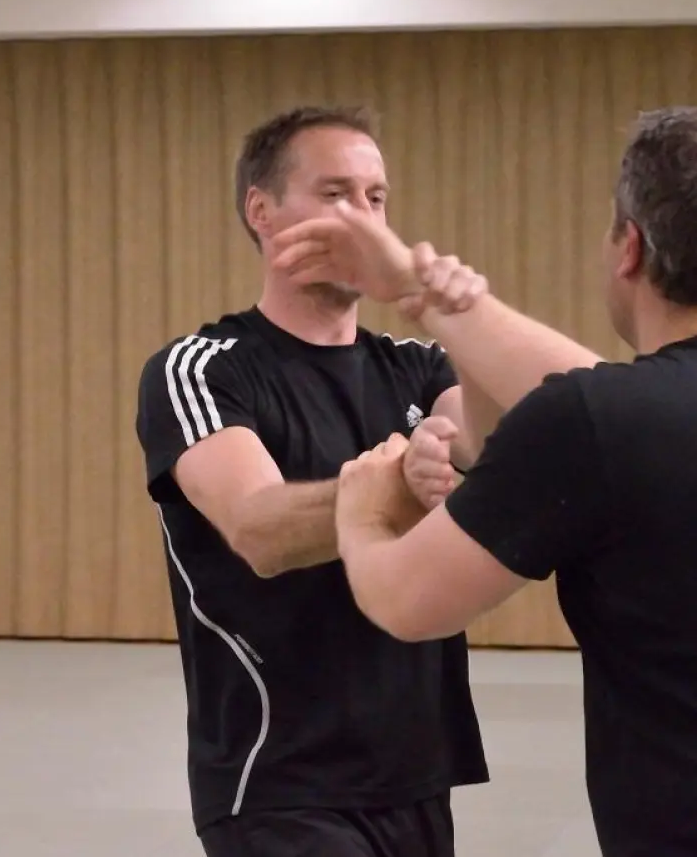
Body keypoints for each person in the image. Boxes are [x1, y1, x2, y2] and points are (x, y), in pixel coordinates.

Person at [271, 105, 697, 857]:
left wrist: (362, 509)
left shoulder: (599, 424)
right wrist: (422, 291)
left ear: (629, 246)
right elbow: (599, 395)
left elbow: (405, 601)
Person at [134, 105, 491, 857]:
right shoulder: (203, 368)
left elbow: (499, 443)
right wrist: (399, 482)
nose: (362, 221)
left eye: (376, 199)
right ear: (261, 211)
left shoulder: (417, 365)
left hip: (415, 765)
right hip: (281, 776)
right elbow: (258, 529)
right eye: (335, 195)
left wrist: (450, 309)